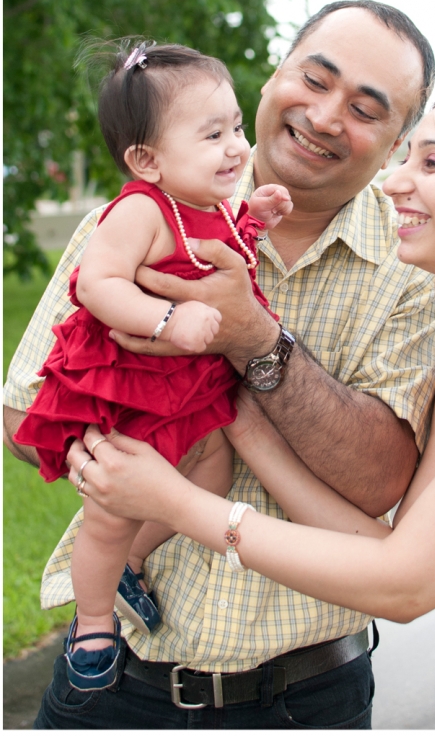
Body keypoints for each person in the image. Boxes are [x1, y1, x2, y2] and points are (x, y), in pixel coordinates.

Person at [68, 81, 435, 730]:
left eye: (433, 162)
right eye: (405, 158)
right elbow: (385, 548)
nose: (394, 182)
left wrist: (173, 503)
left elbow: (404, 584)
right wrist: (240, 407)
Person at [3, 0, 435, 728]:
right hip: (116, 684)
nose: (327, 115)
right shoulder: (135, 217)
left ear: (398, 139)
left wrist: (252, 344)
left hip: (305, 696)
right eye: (315, 78)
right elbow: (24, 417)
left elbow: (379, 481)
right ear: (274, 76)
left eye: (368, 109)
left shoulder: (417, 270)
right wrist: (133, 439)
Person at [13, 40, 293, 691]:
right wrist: (166, 320)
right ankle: (93, 620)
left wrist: (253, 220)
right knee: (109, 516)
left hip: (186, 396)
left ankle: (134, 564)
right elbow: (98, 285)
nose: (236, 147)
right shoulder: (139, 210)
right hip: (126, 394)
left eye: (235, 127)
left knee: (213, 473)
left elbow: (221, 251)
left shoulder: (213, 205)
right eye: (211, 134)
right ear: (147, 160)